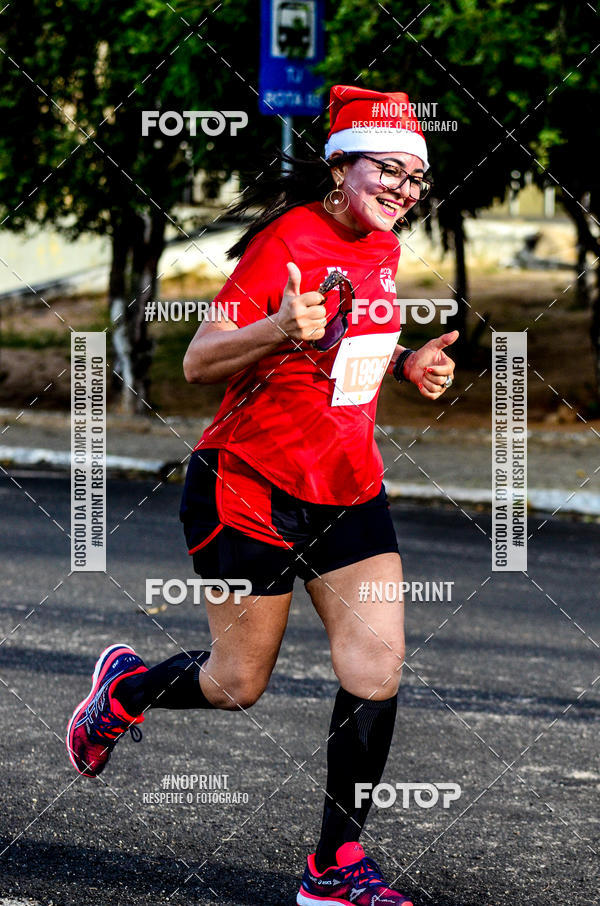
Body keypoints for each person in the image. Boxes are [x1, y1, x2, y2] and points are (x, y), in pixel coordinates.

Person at [66, 85, 457, 906]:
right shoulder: (288, 239)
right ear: (340, 165)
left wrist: (407, 359)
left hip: (348, 487)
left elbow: (350, 336)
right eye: (388, 171)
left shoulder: (380, 246)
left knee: (378, 667)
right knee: (238, 684)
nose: (404, 190)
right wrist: (277, 328)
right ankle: (125, 692)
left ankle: (333, 866)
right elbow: (200, 362)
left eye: (415, 179)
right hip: (248, 486)